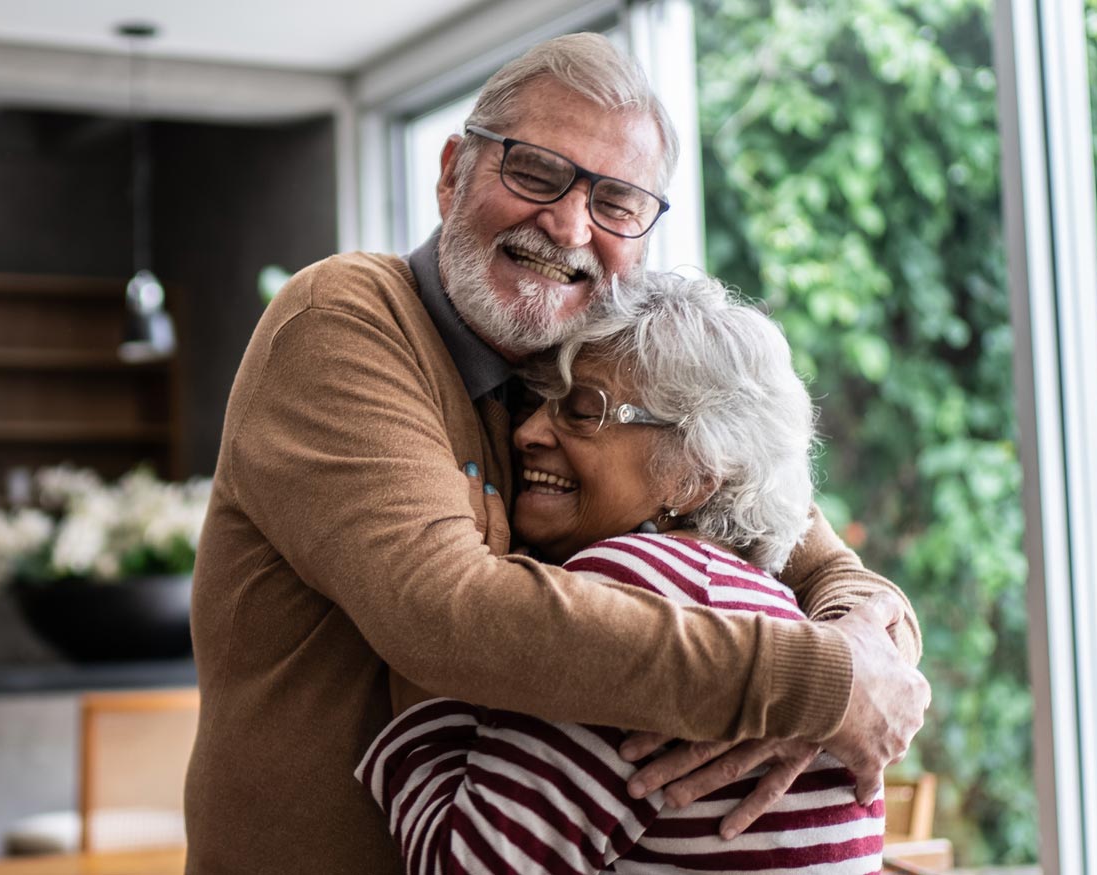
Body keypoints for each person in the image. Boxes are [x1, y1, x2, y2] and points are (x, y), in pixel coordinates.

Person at [185, 32, 929, 875]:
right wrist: (815, 685)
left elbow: (798, 536)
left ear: (642, 237)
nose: (569, 223)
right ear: (451, 171)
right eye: (536, 172)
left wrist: (874, 647)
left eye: (616, 202)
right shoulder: (344, 318)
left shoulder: (606, 363)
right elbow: (445, 613)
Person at [357, 269, 886, 875]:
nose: (527, 433)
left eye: (582, 412)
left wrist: (422, 674)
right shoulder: (758, 598)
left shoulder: (637, 579)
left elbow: (468, 864)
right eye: (537, 404)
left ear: (694, 473)